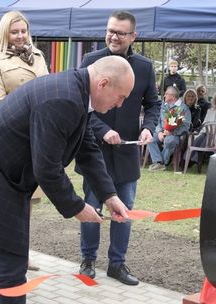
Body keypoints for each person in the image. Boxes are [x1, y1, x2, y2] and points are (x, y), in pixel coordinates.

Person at [0, 55, 134, 304]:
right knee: (11, 269)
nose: (120, 105)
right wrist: (76, 207)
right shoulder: (64, 99)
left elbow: (87, 148)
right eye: (121, 97)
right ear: (103, 83)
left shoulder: (76, 93)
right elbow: (47, 168)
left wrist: (109, 195)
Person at [77, 10, 160, 286]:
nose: (113, 36)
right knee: (91, 205)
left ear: (133, 36)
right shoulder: (90, 61)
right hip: (94, 151)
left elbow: (153, 104)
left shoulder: (145, 67)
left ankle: (117, 264)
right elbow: (82, 106)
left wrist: (149, 126)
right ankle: (87, 260)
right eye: (110, 30)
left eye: (120, 32)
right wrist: (103, 131)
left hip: (126, 153)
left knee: (125, 210)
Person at [0, 10, 49, 271]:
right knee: (5, 202)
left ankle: (21, 254)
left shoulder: (38, 56)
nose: (20, 36)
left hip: (37, 138)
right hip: (12, 137)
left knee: (28, 201)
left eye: (23, 31)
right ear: (5, 33)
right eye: (15, 32)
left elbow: (48, 89)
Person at [148, 86, 191, 171]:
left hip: (175, 135)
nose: (164, 96)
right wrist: (160, 131)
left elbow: (186, 126)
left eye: (166, 94)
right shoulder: (163, 106)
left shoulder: (183, 108)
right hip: (162, 132)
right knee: (150, 138)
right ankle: (158, 162)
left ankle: (162, 163)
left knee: (169, 140)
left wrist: (172, 132)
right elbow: (158, 121)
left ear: (173, 96)